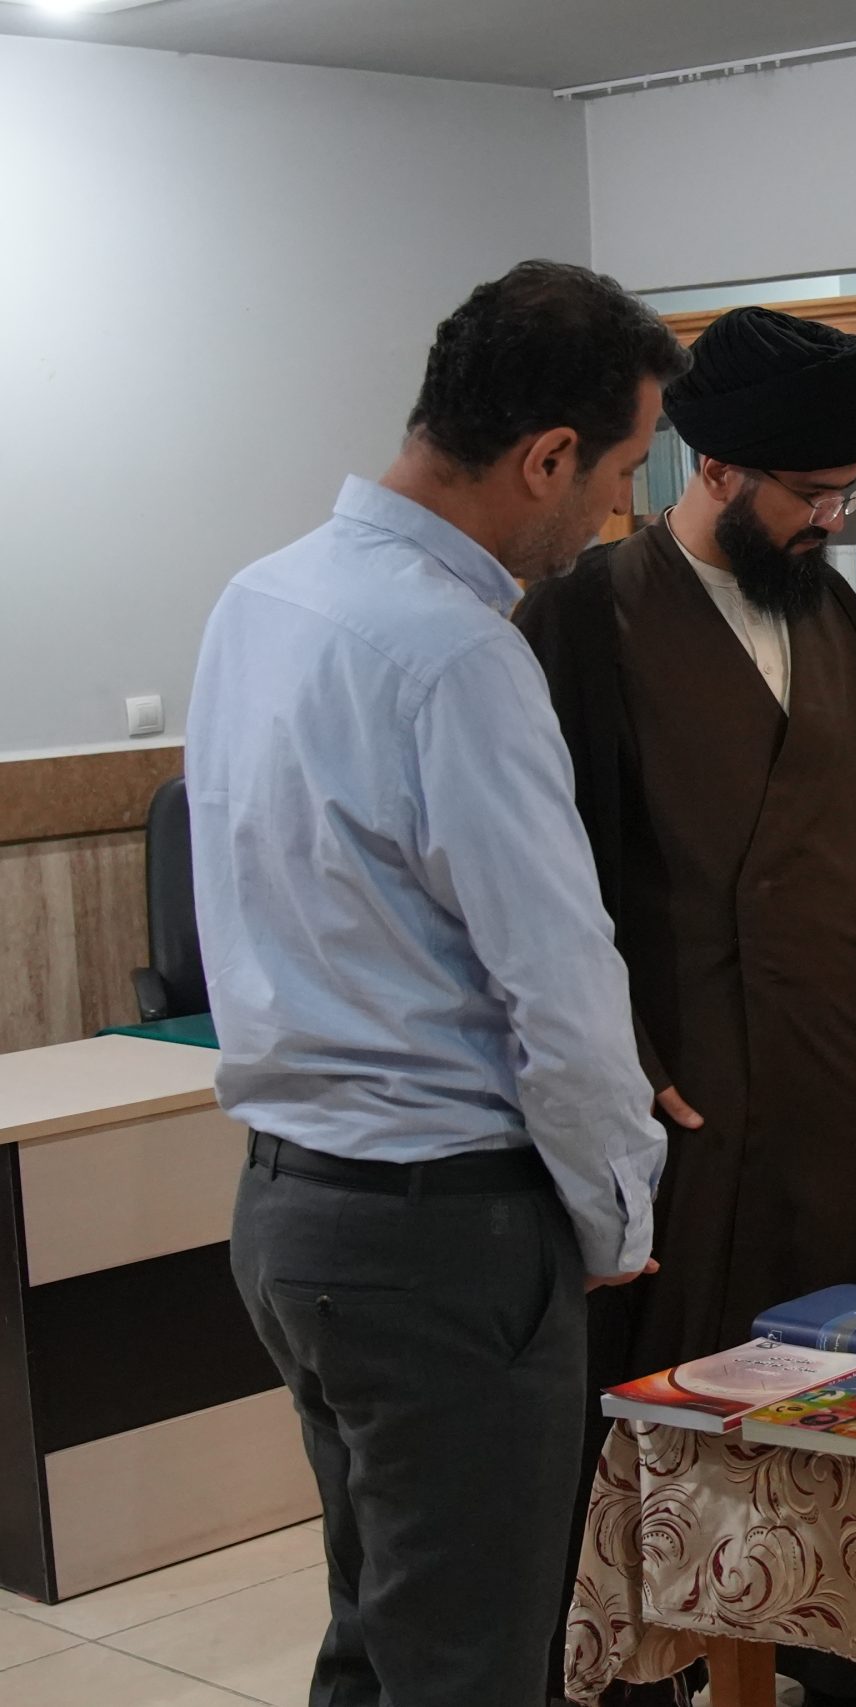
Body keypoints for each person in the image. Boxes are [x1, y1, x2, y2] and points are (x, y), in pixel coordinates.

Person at [516, 305, 856, 1707]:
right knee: (686, 1441)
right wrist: (615, 1050)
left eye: (849, 494)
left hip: (853, 1099)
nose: (835, 519)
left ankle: (854, 1657)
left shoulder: (835, 614)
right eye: (816, 495)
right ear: (717, 470)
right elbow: (539, 877)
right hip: (693, 1110)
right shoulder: (586, 616)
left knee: (854, 1425)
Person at [189, 260, 680, 1707]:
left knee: (380, 1630)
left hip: (293, 1208)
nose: (614, 514)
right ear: (545, 455)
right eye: (619, 473)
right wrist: (615, 1210)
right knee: (474, 1656)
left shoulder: (260, 596)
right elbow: (559, 983)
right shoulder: (460, 651)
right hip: (444, 1230)